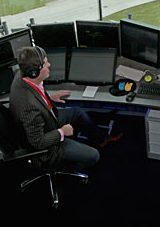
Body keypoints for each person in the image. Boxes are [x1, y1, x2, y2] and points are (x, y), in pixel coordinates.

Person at [9, 45, 121, 173]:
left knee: (77, 113)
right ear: (35, 72)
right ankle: (65, 172)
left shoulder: (22, 75)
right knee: (94, 156)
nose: (49, 65)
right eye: (45, 64)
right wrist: (62, 132)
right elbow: (38, 142)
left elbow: (35, 93)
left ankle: (102, 140)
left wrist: (50, 98)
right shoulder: (29, 107)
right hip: (45, 147)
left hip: (45, 121)